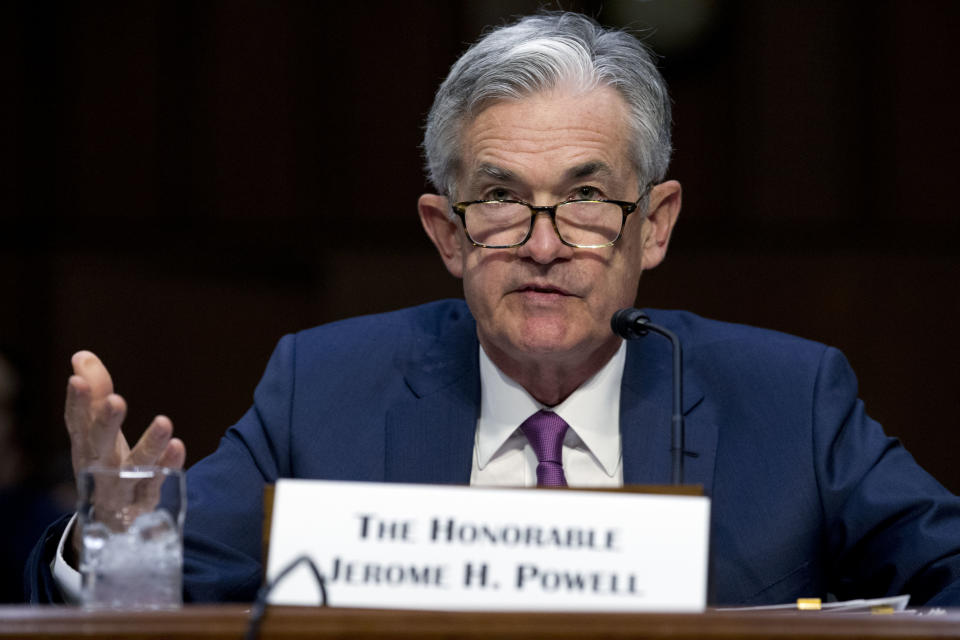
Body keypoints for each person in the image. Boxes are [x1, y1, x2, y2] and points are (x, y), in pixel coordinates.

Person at [28, 11, 960, 605]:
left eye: (588, 200)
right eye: (503, 198)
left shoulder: (787, 400)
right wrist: (118, 524)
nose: (545, 244)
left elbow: (944, 566)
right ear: (447, 233)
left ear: (656, 225)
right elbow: (154, 580)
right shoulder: (327, 391)